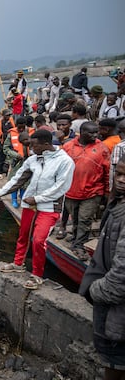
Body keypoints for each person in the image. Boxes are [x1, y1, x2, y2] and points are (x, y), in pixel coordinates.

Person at [0, 130, 75, 289]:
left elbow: (61, 187)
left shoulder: (65, 161)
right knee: (24, 235)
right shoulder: (33, 160)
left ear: (46, 144)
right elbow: (18, 179)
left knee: (39, 240)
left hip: (49, 207)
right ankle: (18, 264)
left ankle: (37, 275)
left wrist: (37, 199)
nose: (31, 148)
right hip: (29, 205)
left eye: (34, 145)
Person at [79, 155, 125, 380]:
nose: (121, 180)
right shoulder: (118, 206)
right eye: (119, 174)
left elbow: (120, 279)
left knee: (115, 365)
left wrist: (94, 290)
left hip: (116, 311)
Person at [61, 122, 110, 257]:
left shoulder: (102, 149)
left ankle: (79, 245)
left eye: (96, 132)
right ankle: (77, 237)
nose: (95, 135)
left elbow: (107, 172)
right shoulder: (67, 147)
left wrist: (106, 191)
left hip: (92, 192)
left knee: (85, 219)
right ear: (82, 132)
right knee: (75, 218)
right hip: (71, 191)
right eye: (91, 133)